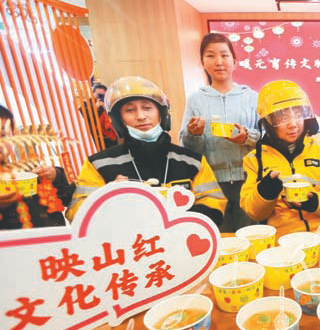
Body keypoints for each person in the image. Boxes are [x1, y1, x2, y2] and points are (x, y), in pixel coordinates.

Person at [66, 77, 226, 226]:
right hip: (127, 244)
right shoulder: (98, 164)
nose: (141, 116)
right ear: (118, 120)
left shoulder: (193, 161)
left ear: (162, 113)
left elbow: (214, 203)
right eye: (130, 110)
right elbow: (77, 214)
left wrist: (173, 222)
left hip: (182, 239)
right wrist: (108, 197)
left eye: (147, 108)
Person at [240, 80, 320, 233]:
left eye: (299, 115)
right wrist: (265, 192)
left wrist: (315, 202)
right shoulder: (254, 160)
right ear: (268, 122)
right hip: (282, 238)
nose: (293, 124)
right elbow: (253, 212)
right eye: (283, 118)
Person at [180, 33, 259, 233]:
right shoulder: (196, 100)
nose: (219, 62)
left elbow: (266, 139)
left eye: (224, 55)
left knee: (251, 235)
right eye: (211, 55)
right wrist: (194, 134)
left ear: (235, 61)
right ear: (202, 62)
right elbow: (187, 148)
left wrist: (247, 137)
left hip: (248, 179)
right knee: (219, 237)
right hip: (212, 183)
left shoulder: (252, 97)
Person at [1, 104, 74, 229]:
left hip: (51, 239)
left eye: (3, 135)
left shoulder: (27, 173)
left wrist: (56, 176)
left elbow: (71, 196)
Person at [78, 83, 118, 150]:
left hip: (110, 138)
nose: (100, 97)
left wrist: (106, 108)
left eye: (103, 95)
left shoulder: (108, 104)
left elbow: (115, 118)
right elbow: (82, 118)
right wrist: (95, 108)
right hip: (95, 139)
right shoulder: (85, 104)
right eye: (99, 95)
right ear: (92, 93)